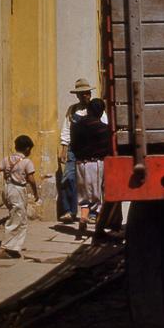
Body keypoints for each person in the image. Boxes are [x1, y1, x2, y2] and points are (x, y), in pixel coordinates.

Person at [59, 78, 106, 223]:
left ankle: (92, 213)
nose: (85, 96)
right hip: (74, 149)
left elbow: (104, 127)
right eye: (81, 94)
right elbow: (66, 129)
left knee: (92, 183)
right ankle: (69, 211)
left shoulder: (96, 109)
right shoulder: (72, 110)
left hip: (91, 151)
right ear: (77, 95)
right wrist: (63, 149)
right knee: (69, 178)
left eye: (86, 93)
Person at [0, 136, 39, 259]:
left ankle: (14, 247)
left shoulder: (6, 159)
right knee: (16, 219)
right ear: (27, 148)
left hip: (7, 189)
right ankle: (4, 249)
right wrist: (36, 193)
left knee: (19, 217)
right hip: (18, 190)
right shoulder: (26, 162)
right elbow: (31, 179)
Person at [70, 98, 111, 236]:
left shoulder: (75, 126)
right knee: (97, 198)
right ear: (101, 112)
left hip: (80, 164)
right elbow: (106, 148)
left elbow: (73, 146)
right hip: (95, 164)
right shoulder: (103, 129)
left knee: (84, 197)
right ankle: (99, 230)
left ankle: (83, 218)